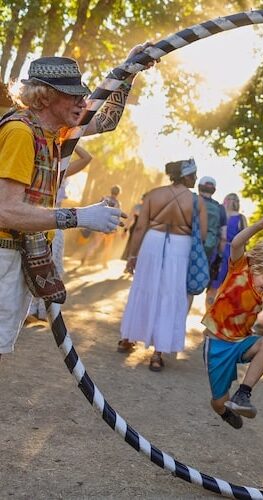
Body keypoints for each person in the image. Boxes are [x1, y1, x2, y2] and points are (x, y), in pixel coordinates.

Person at [0, 47, 153, 360]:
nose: (83, 102)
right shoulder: (20, 132)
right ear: (45, 97)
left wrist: (129, 72)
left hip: (20, 256)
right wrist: (79, 216)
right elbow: (6, 211)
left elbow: (106, 120)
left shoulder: (56, 133)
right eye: (74, 96)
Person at [202, 210, 263, 429]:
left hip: (242, 342)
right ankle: (225, 411)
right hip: (216, 343)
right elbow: (236, 243)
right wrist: (260, 225)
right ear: (255, 263)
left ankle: (243, 395)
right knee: (218, 401)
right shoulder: (240, 266)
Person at [119, 159, 206, 371]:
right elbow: (202, 235)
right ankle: (157, 354)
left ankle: (127, 338)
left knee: (143, 288)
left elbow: (140, 228)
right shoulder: (196, 201)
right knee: (170, 295)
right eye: (193, 175)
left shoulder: (154, 194)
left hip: (152, 242)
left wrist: (132, 255)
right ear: (185, 176)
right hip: (180, 246)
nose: (195, 179)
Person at [27, 145, 93, 322]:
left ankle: (42, 311)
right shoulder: (36, 166)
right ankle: (30, 310)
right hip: (34, 219)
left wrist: (70, 138)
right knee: (32, 266)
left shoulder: (59, 170)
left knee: (51, 266)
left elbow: (87, 158)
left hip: (53, 222)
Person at [207, 192, 247, 296]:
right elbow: (246, 239)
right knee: (226, 285)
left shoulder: (221, 214)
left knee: (214, 283)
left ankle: (210, 303)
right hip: (231, 253)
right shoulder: (240, 218)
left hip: (218, 250)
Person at [197, 176, 227, 307]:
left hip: (184, 247)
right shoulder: (220, 209)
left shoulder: (191, 200)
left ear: (199, 187)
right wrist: (219, 257)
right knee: (191, 289)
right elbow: (223, 237)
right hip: (206, 253)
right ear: (214, 190)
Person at [81, 184, 122, 267]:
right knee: (107, 245)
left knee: (95, 243)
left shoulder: (104, 198)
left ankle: (87, 256)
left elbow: (96, 209)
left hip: (99, 222)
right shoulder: (117, 203)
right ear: (118, 193)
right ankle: (104, 262)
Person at [121, 193, 145, 263]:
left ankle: (130, 262)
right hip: (140, 229)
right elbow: (130, 219)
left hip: (136, 228)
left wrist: (125, 230)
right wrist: (125, 230)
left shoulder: (137, 207)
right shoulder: (144, 208)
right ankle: (130, 262)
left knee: (132, 244)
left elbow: (130, 219)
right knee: (136, 246)